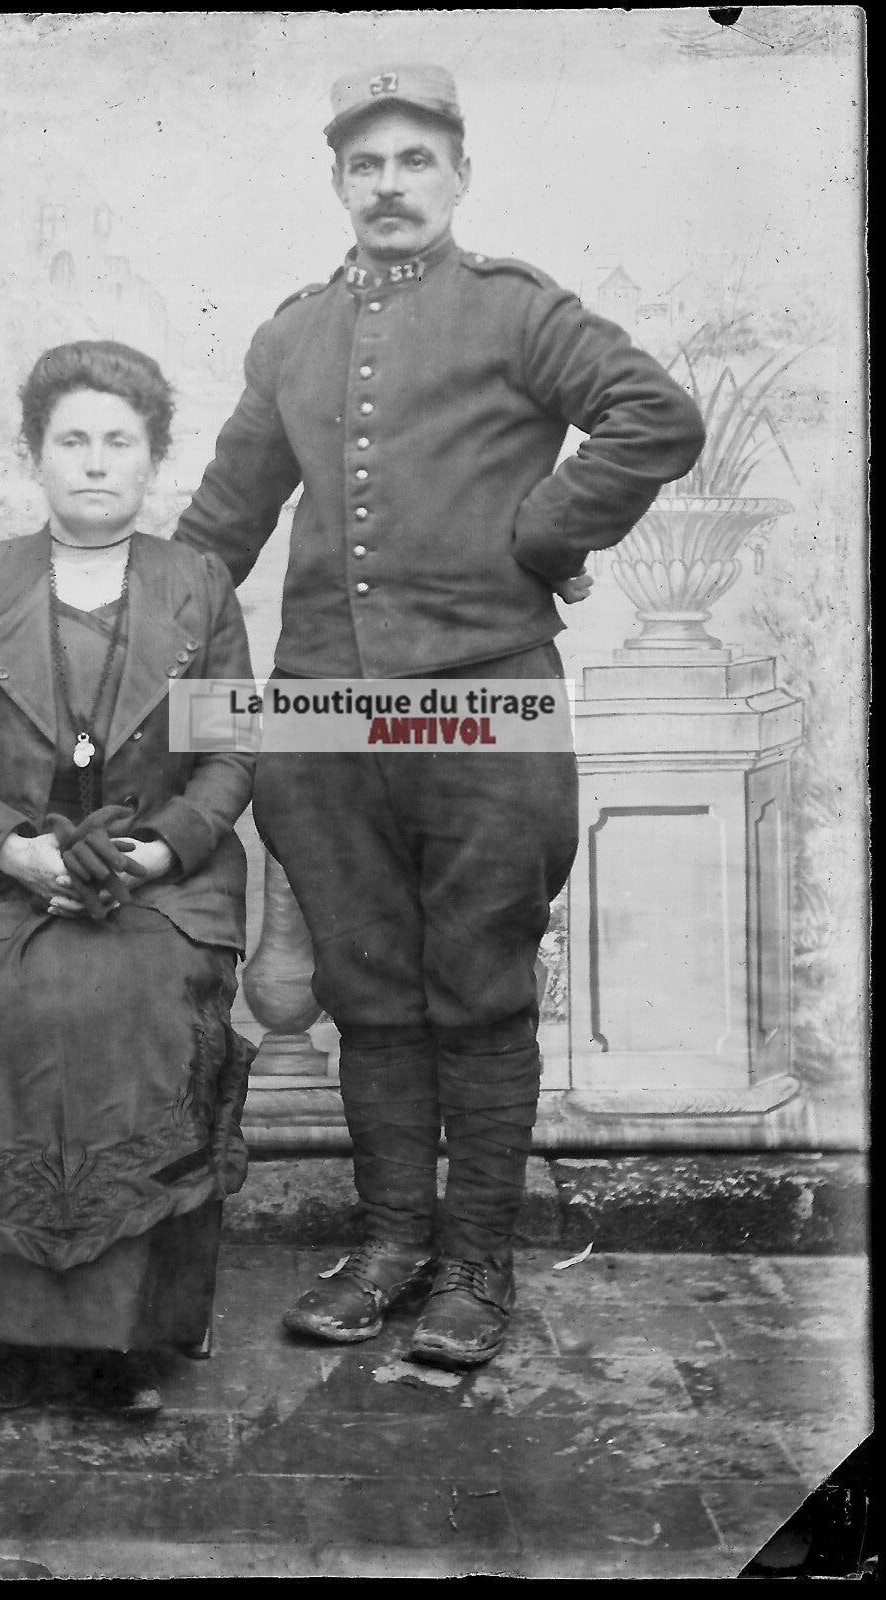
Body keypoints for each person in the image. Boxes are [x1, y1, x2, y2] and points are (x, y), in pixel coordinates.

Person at [173, 65, 706, 1369]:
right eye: (367, 165)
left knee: (476, 989)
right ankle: (392, 1245)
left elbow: (655, 417)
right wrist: (134, 640)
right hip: (322, 720)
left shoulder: (512, 310)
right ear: (338, 183)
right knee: (369, 992)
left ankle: (476, 1267)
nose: (391, 186)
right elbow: (220, 524)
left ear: (458, 176)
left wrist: (538, 538)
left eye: (417, 161)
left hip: (484, 702)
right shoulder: (292, 334)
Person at [0, 340, 257, 1416]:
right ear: (32, 456)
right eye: (70, 440)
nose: (93, 463)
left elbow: (231, 752)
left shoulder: (198, 587)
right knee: (2, 997)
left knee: (125, 998)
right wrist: (13, 849)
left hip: (156, 878)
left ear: (154, 460)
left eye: (118, 442)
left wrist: (165, 844)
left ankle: (129, 1338)